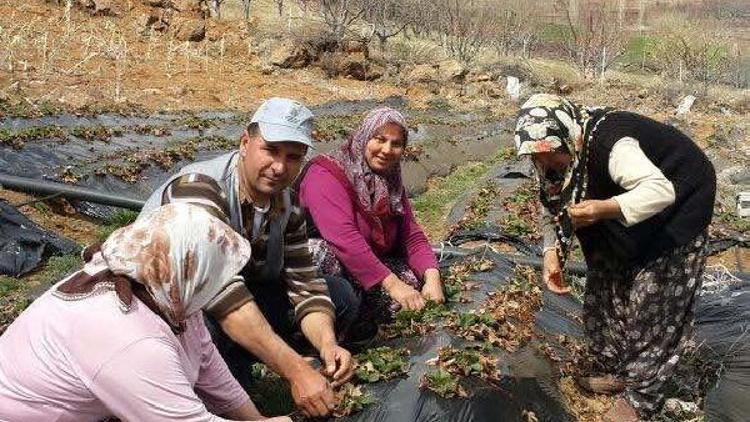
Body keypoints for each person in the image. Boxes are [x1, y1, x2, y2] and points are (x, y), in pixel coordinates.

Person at [139, 98, 357, 418]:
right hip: (162, 309)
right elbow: (223, 294)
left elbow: (305, 284)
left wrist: (327, 344)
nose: (280, 167)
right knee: (205, 332)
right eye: (270, 150)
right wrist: (295, 369)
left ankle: (249, 361)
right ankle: (203, 384)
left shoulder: (288, 206)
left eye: (293, 157)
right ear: (245, 143)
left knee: (338, 294)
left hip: (228, 301)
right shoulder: (199, 188)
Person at [514, 93, 716, 420]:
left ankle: (640, 400)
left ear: (571, 139)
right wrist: (551, 251)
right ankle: (611, 367)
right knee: (604, 286)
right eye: (541, 160)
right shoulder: (548, 152)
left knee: (654, 308)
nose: (548, 165)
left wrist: (605, 208)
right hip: (622, 208)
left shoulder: (611, 144)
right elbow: (548, 201)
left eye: (554, 156)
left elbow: (660, 191)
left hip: (678, 203)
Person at [0, 203, 291, 422]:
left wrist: (257, 420)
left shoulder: (165, 287)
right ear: (190, 270)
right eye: (215, 275)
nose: (218, 284)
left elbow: (207, 364)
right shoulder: (126, 333)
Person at [297, 107, 444, 330]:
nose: (387, 150)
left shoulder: (390, 181)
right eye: (380, 139)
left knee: (414, 283)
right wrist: (393, 285)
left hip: (366, 263)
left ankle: (363, 315)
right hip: (321, 267)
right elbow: (344, 238)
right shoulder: (326, 173)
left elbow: (411, 235)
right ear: (364, 137)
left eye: (396, 144)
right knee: (322, 255)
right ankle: (322, 323)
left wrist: (433, 278)